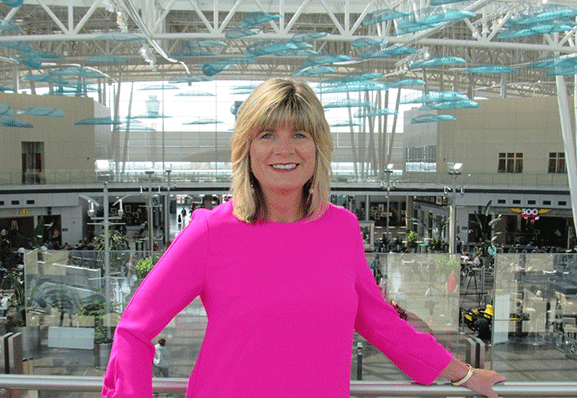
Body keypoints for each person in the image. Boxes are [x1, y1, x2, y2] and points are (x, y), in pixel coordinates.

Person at [102, 78, 505, 398]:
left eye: (299, 134)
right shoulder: (211, 231)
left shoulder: (342, 228)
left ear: (317, 148)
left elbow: (379, 322)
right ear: (246, 148)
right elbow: (134, 329)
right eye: (266, 135)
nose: (283, 149)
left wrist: (464, 374)